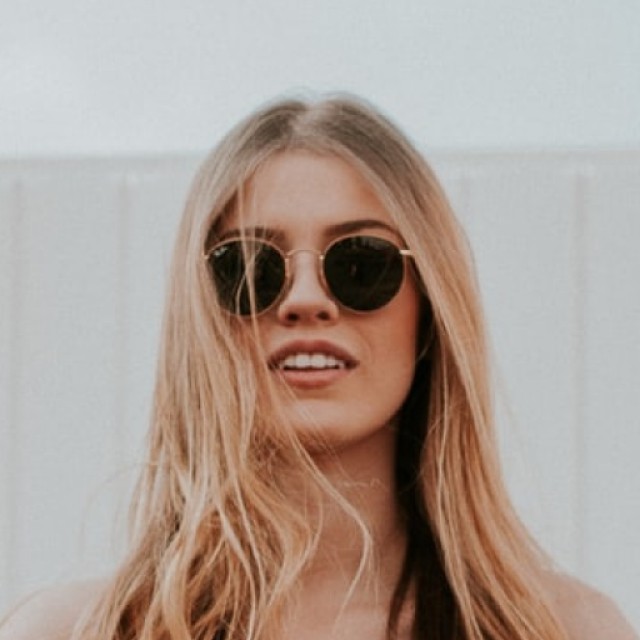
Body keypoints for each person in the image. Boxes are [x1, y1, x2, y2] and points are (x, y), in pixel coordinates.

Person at [0, 94, 636, 640]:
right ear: (201, 317)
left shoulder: (567, 629)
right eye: (250, 268)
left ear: (430, 310)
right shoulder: (71, 631)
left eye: (360, 264)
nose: (305, 300)